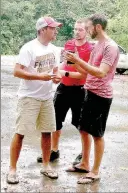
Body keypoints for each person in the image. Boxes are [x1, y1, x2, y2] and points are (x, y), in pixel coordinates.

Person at [6, 16, 63, 184]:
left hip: (46, 98)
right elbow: (17, 71)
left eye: (55, 28)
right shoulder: (29, 48)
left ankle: (46, 166)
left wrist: (56, 77)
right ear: (42, 30)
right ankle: (12, 169)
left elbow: (55, 70)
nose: (55, 31)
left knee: (47, 132)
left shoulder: (54, 49)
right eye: (52, 28)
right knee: (21, 133)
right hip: (28, 97)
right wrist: (40, 76)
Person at [64, 13, 120, 184]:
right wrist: (74, 62)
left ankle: (95, 172)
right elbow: (90, 69)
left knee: (97, 134)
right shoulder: (98, 45)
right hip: (89, 91)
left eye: (88, 28)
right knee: (83, 128)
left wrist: (78, 60)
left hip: (101, 95)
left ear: (98, 27)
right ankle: (84, 163)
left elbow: (101, 72)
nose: (87, 32)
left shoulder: (110, 47)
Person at [36, 19, 94, 166]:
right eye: (75, 29)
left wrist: (64, 74)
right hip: (64, 88)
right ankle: (54, 150)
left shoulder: (89, 49)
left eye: (80, 30)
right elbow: (63, 63)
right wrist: (57, 71)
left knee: (81, 124)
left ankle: (84, 154)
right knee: (55, 120)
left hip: (80, 89)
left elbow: (85, 75)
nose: (77, 32)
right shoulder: (69, 44)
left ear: (87, 31)